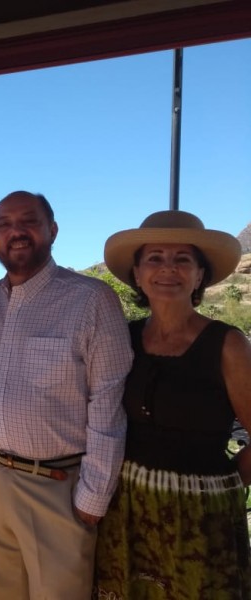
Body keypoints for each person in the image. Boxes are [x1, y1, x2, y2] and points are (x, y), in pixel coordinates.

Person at [0, 191, 133, 600]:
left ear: (52, 230)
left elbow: (108, 406)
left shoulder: (92, 300)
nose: (16, 231)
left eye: (29, 221)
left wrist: (93, 497)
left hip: (56, 487)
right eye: (4, 224)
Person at [95, 210, 251, 599]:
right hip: (126, 511)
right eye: (155, 258)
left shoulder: (227, 345)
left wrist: (222, 486)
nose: (168, 269)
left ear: (200, 274)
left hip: (201, 520)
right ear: (137, 273)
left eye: (183, 259)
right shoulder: (123, 338)